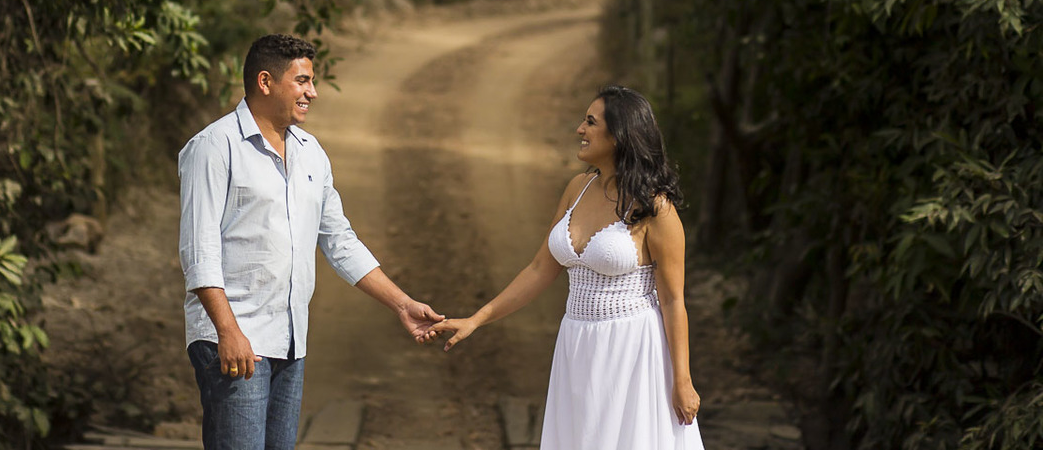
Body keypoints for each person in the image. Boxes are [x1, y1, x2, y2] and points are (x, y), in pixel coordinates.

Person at [178, 34, 442, 450]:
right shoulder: (214, 147)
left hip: (290, 341)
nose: (312, 93)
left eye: (311, 82)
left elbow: (340, 241)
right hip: (233, 339)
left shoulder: (311, 153)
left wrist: (402, 304)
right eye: (302, 81)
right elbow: (199, 251)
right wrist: (227, 330)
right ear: (265, 82)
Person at [432, 85, 705, 449]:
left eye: (590, 122)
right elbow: (539, 268)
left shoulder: (655, 209)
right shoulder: (576, 187)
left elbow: (673, 301)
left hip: (632, 351)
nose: (580, 129)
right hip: (576, 344)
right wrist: (476, 319)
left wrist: (682, 380)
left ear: (619, 135)